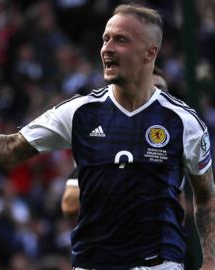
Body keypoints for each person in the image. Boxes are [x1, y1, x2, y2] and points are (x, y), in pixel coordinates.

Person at [0, 4, 215, 270]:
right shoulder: (80, 112)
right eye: (105, 39)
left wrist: (210, 262)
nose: (107, 48)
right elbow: (10, 147)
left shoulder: (183, 122)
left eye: (121, 40)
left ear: (150, 52)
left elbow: (207, 197)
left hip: (158, 265)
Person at [60, 67, 187, 220]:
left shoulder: (174, 141)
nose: (158, 94)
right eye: (153, 89)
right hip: (108, 235)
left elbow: (180, 207)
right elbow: (70, 205)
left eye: (162, 90)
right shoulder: (101, 138)